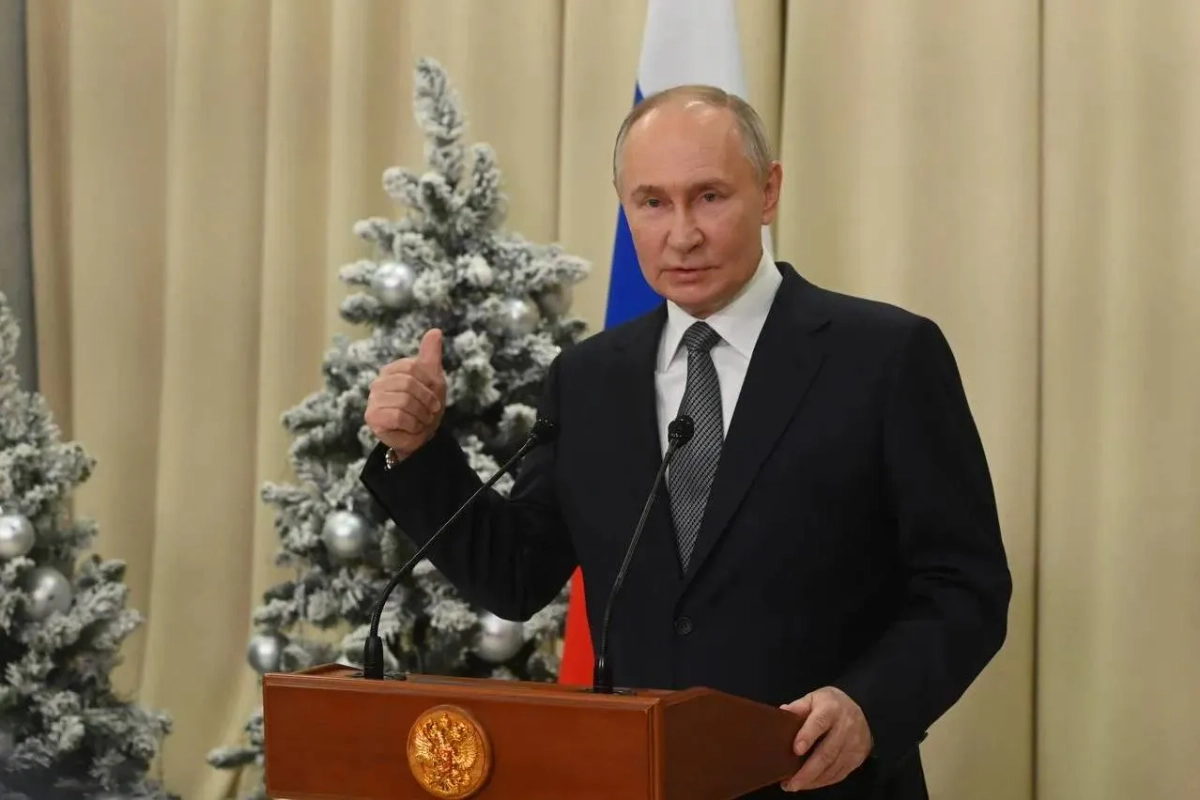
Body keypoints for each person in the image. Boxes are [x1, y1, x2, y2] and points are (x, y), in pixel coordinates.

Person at [360, 85, 1011, 799]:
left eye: (709, 197)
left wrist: (868, 708)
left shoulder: (885, 356)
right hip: (637, 780)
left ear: (769, 192)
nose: (682, 234)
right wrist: (418, 451)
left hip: (822, 782)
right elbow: (516, 575)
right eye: (652, 202)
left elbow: (964, 587)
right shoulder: (587, 379)